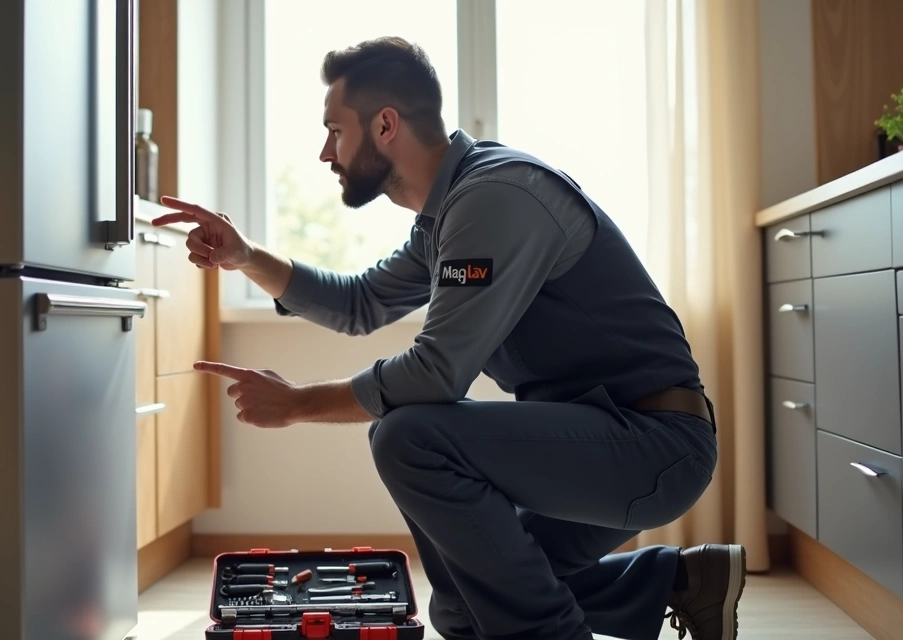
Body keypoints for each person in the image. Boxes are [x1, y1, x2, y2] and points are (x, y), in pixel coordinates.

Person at [150, 36, 745, 640]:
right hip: (588, 447)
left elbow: (436, 373)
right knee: (461, 604)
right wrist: (246, 256)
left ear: (385, 125)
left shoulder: (495, 197)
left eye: (335, 130)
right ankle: (682, 582)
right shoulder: (446, 218)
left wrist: (301, 403)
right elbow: (360, 302)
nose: (325, 152)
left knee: (409, 436)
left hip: (649, 447)